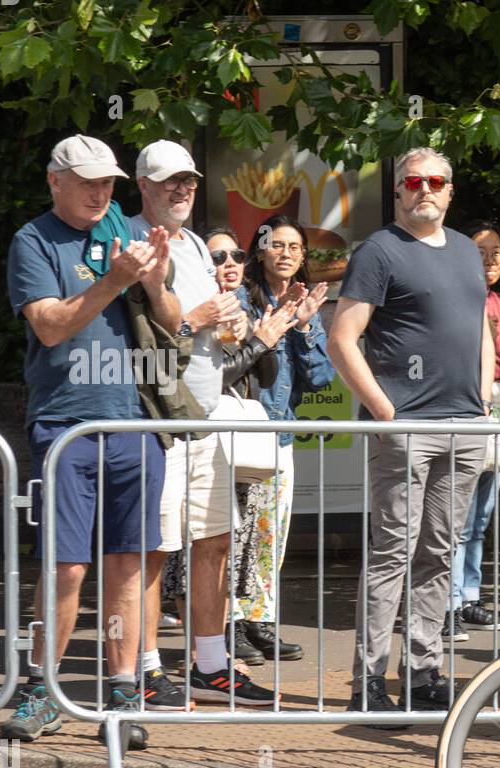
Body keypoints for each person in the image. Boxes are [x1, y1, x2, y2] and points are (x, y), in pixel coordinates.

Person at [1, 135, 178, 744]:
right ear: (56, 181)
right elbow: (50, 327)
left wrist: (152, 281)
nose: (101, 193)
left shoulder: (129, 229)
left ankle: (123, 694)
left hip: (135, 421)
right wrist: (113, 279)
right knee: (67, 567)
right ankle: (41, 689)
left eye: (107, 182)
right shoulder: (33, 240)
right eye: (87, 182)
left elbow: (174, 324)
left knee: (127, 563)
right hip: (67, 423)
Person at [328, 147, 493, 718]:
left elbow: (481, 327)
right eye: (413, 181)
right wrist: (383, 409)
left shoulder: (469, 251)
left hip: (465, 425)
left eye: (436, 181)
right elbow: (342, 336)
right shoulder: (379, 251)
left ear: (450, 190)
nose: (425, 189)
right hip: (408, 426)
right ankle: (368, 681)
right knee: (392, 554)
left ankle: (423, 672)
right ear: (398, 191)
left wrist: (486, 394)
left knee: (440, 553)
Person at [127, 140, 282, 709]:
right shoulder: (130, 238)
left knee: (214, 541)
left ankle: (211, 664)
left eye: (189, 179)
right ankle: (143, 669)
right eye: (170, 181)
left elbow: (205, 329)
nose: (183, 189)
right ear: (143, 184)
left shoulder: (193, 243)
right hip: (159, 421)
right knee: (154, 549)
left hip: (208, 416)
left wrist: (231, 326)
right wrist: (199, 320)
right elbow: (147, 329)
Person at [159, 225, 304, 667]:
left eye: (237, 257)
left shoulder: (246, 307)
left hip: (242, 444)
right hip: (204, 438)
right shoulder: (189, 311)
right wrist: (259, 340)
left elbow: (265, 376)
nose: (229, 266)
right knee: (195, 550)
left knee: (234, 550)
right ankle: (202, 652)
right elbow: (206, 379)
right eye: (218, 259)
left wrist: (264, 332)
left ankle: (220, 646)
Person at [230, 214, 334, 662]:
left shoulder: (304, 303)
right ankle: (228, 623)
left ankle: (260, 621)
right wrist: (265, 332)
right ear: (259, 250)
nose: (286, 253)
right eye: (277, 245)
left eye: (295, 247)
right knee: (236, 533)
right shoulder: (240, 298)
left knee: (271, 535)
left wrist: (306, 326)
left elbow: (322, 379)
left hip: (280, 435)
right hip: (239, 429)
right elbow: (233, 363)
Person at [445, 220, 500, 640]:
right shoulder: (451, 297)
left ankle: (470, 597)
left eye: (496, 251)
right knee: (453, 519)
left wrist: (488, 358)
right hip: (460, 416)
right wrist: (490, 355)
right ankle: (445, 605)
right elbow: (454, 358)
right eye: (480, 250)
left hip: (494, 419)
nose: (490, 259)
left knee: (479, 519)